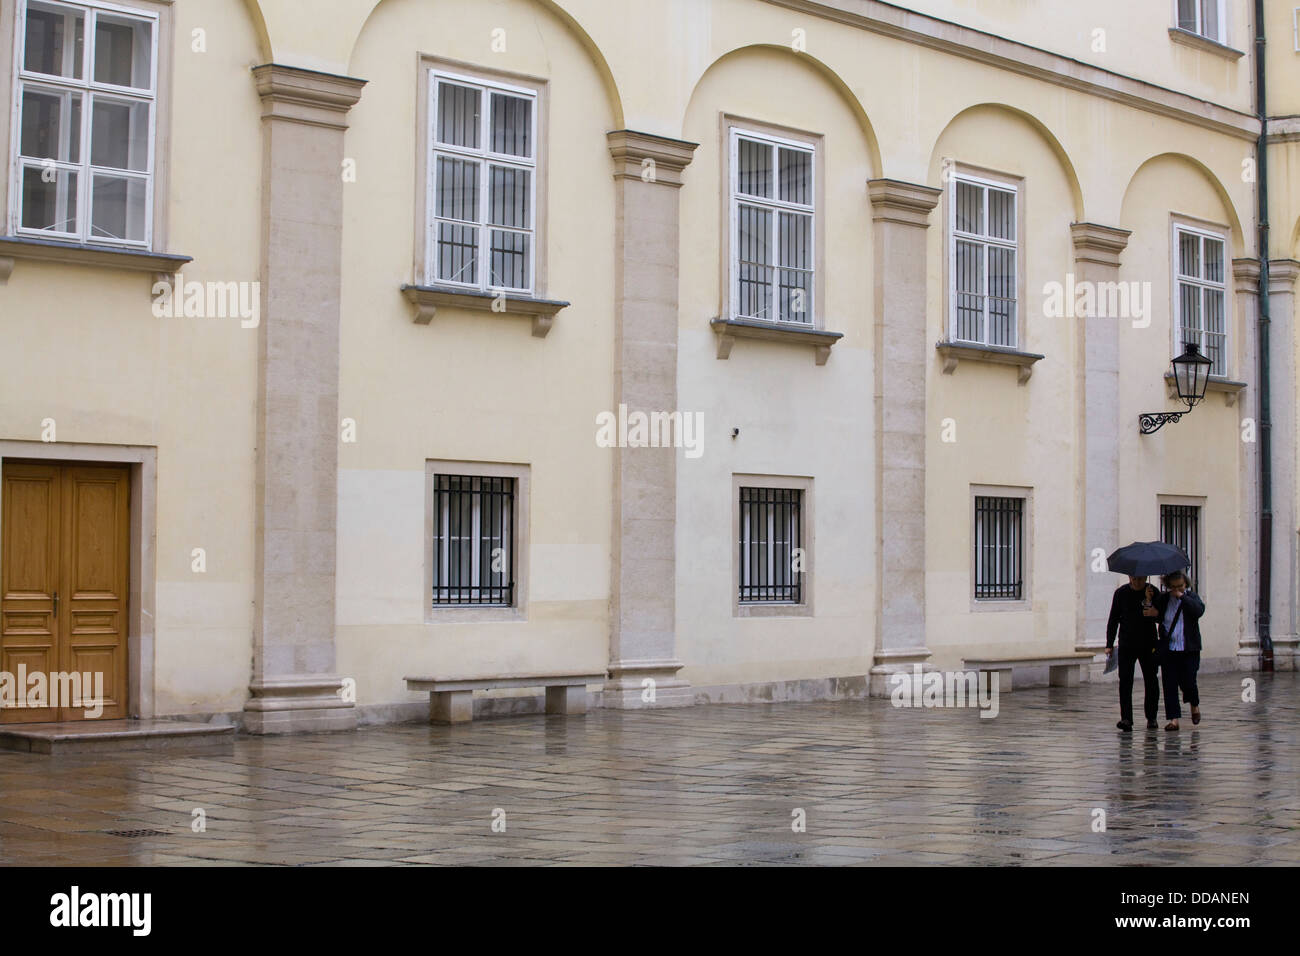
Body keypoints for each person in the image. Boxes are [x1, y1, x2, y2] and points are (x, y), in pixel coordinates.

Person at [1105, 575, 1161, 731]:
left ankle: (1151, 717)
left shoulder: (1153, 591)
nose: (1138, 582)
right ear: (1130, 577)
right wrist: (1109, 643)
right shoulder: (1121, 593)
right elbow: (1113, 618)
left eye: (1141, 579)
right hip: (1127, 642)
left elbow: (1161, 616)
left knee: (1151, 680)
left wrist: (1151, 605)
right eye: (1135, 579)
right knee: (1125, 680)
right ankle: (1126, 718)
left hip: (1148, 643)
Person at [1154, 570, 1205, 731]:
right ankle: (1173, 719)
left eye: (1181, 586)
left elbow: (1198, 611)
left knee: (1189, 681)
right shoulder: (1163, 600)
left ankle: (1194, 705)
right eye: (1174, 587)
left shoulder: (1191, 598)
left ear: (1186, 585)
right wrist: (1150, 605)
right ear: (1168, 586)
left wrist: (1182, 597)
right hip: (1169, 649)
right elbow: (1157, 616)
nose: (1177, 590)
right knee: (1169, 684)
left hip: (1189, 649)